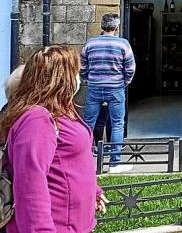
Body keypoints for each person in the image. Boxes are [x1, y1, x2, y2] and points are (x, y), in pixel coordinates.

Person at [0, 46, 108, 232]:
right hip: (56, 226)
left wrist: (93, 191)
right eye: (75, 73)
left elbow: (68, 162)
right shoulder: (37, 119)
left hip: (74, 224)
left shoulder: (59, 111)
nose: (78, 79)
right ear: (60, 78)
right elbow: (30, 184)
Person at [81, 13, 136, 173]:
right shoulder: (123, 44)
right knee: (118, 124)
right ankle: (115, 163)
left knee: (88, 124)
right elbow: (130, 68)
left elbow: (83, 66)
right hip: (116, 88)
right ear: (116, 28)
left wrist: (87, 79)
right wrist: (125, 81)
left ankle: (85, 160)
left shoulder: (90, 44)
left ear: (102, 26)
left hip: (94, 88)